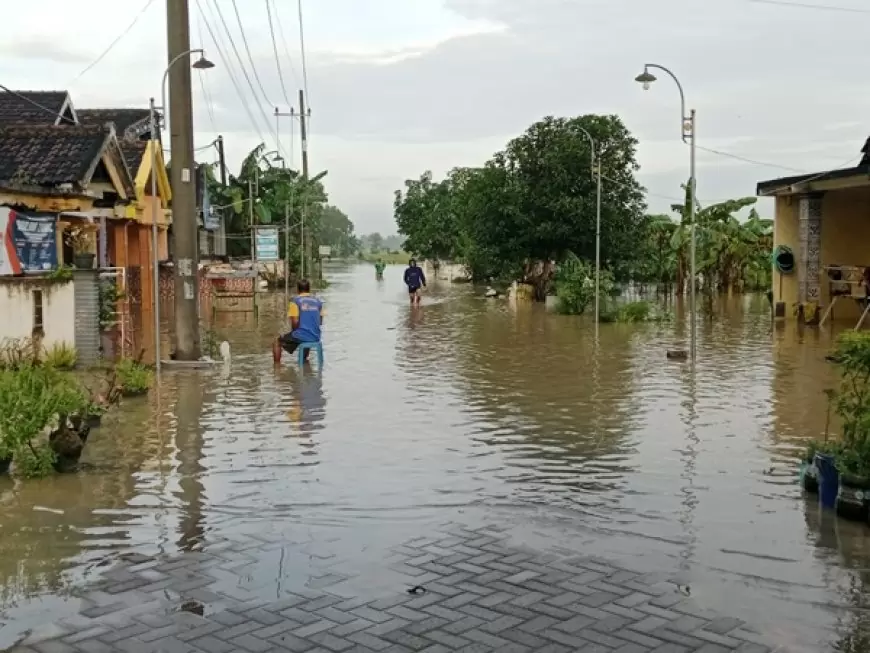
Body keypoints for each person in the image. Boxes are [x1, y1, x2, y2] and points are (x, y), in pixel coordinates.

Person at [276, 279, 324, 361]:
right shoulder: (318, 302)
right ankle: (304, 362)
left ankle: (277, 369)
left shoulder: (295, 302)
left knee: (276, 342)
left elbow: (295, 323)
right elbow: (320, 322)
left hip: (302, 335)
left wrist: (294, 333)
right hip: (316, 336)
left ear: (298, 290)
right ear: (309, 289)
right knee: (306, 336)